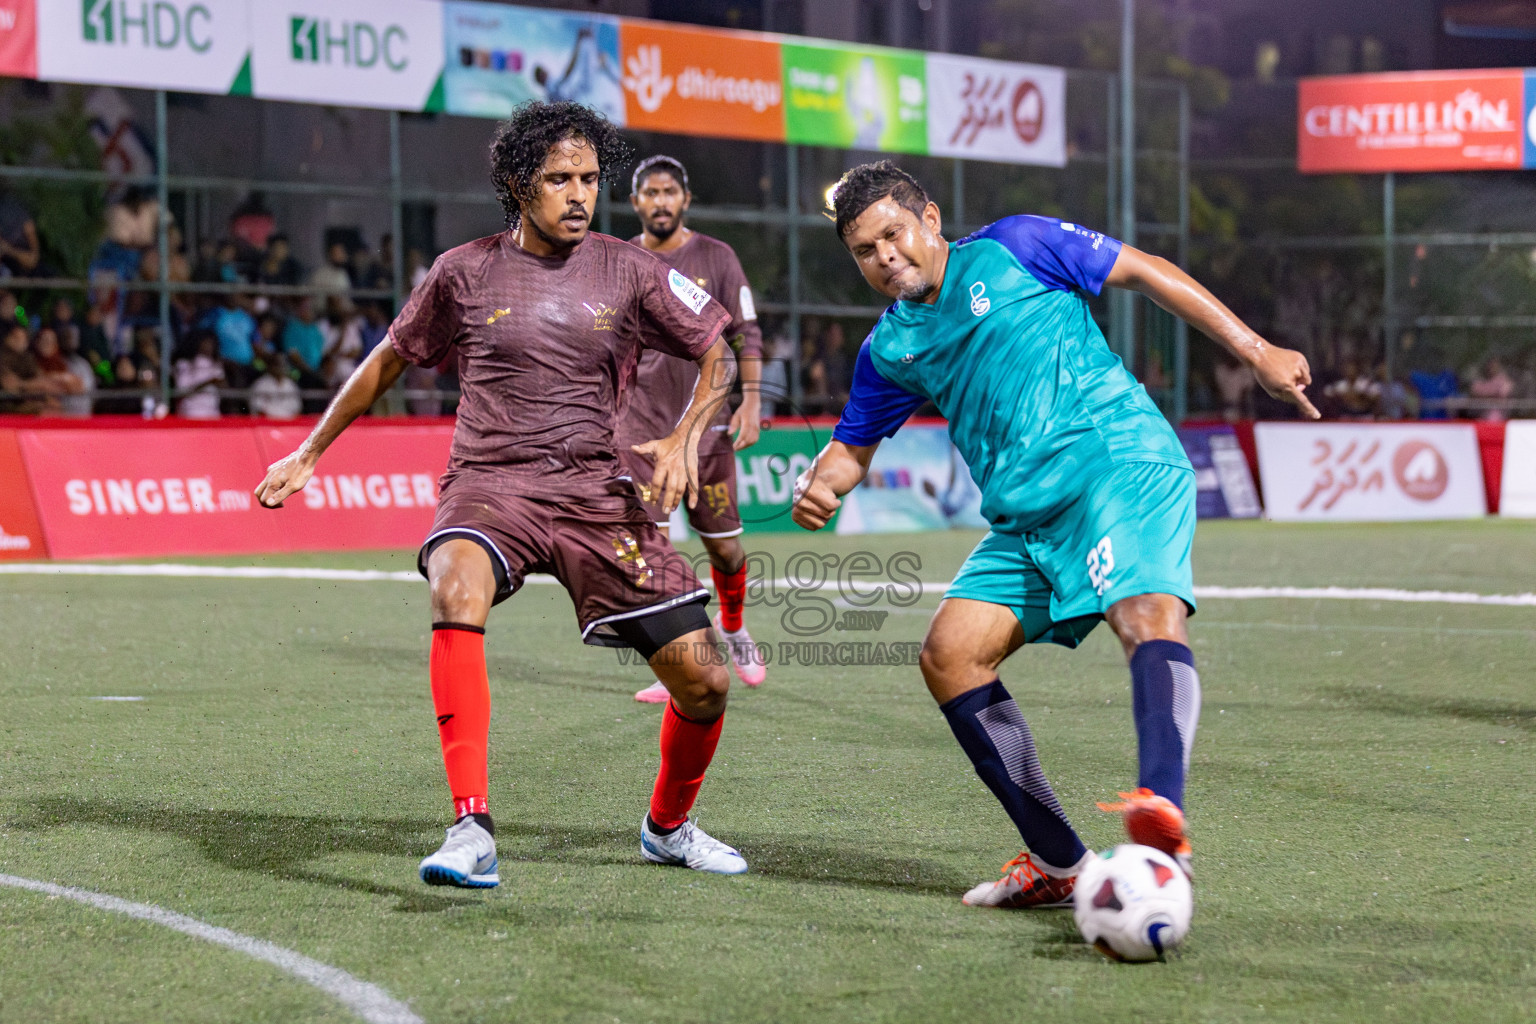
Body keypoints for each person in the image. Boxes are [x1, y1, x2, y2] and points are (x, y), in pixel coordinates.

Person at [791, 162, 1319, 911]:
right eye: (865, 251)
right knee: (951, 656)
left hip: (1115, 463)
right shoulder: (888, 349)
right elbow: (851, 451)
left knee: (1143, 613)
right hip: (1026, 518)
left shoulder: (1018, 246)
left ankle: (1161, 824)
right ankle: (1060, 862)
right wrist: (823, 484)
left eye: (893, 234)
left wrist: (1256, 350)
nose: (884, 257)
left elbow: (1149, 271)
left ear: (930, 220)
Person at [254, 101, 749, 888]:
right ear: (520, 186)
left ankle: (669, 827)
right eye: (560, 179)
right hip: (490, 482)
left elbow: (718, 353)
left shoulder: (631, 268)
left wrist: (691, 433)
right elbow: (388, 358)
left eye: (589, 178)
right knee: (456, 580)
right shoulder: (463, 271)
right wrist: (311, 450)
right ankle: (470, 826)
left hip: (596, 489)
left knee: (705, 678)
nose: (580, 194)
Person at [620, 155, 767, 701]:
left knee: (724, 549)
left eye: (669, 192)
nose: (660, 202)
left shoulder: (717, 257)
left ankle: (733, 627)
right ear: (636, 202)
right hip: (640, 429)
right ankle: (682, 658)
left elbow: (746, 334)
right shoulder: (620, 259)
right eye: (650, 193)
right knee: (651, 550)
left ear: (685, 200)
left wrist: (750, 401)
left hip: (706, 430)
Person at [251, 351, 302, 419]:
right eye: (277, 365)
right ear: (270, 366)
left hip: (289, 424)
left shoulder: (291, 384)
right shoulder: (261, 384)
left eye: (283, 365)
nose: (281, 368)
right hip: (267, 423)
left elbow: (297, 408)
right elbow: (258, 408)